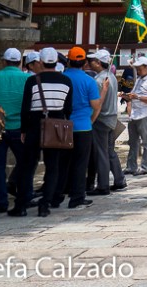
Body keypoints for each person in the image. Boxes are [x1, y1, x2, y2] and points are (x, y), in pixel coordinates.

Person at [10, 47, 73, 218]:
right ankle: (45, 205)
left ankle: (21, 205)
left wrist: (23, 130)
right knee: (52, 167)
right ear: (56, 62)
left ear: (40, 62)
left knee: (27, 167)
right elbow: (68, 108)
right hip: (56, 127)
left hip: (34, 126)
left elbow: (25, 108)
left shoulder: (33, 81)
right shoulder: (66, 81)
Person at [54, 46, 100, 209]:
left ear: (68, 61)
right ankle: (77, 197)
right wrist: (104, 93)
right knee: (81, 163)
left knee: (62, 163)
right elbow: (95, 104)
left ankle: (56, 195)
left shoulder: (61, 78)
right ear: (85, 63)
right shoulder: (89, 81)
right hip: (83, 126)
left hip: (63, 126)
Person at [0, 48, 28, 213]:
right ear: (20, 62)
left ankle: (2, 202)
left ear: (3, 61)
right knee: (24, 164)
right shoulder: (26, 78)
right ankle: (24, 197)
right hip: (19, 128)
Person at [86, 50, 126, 196]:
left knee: (101, 154)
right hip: (111, 119)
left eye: (92, 61)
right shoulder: (112, 77)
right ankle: (119, 179)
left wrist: (91, 120)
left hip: (101, 120)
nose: (89, 63)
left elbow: (97, 104)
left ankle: (103, 185)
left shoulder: (98, 81)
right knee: (109, 151)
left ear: (98, 62)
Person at [124, 56, 147, 176]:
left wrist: (137, 97)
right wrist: (126, 96)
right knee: (133, 142)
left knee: (146, 142)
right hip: (134, 114)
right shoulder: (139, 79)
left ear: (146, 67)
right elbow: (134, 94)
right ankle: (131, 166)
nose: (138, 70)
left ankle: (145, 167)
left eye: (139, 68)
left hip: (144, 115)